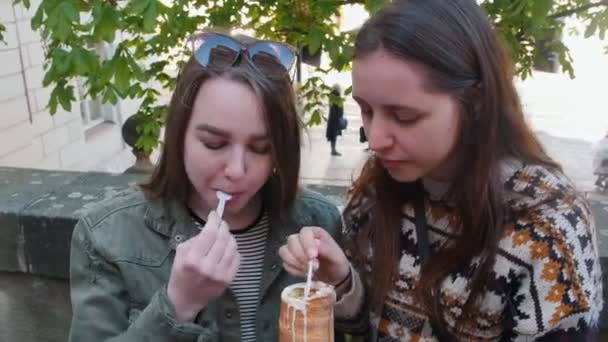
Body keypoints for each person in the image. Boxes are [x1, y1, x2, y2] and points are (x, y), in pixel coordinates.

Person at [279, 0, 603, 341]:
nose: (375, 139)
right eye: (366, 110)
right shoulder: (377, 191)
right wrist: (343, 280)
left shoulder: (548, 227)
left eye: (404, 117)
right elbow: (366, 326)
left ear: (475, 104)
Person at [68, 32, 343, 342]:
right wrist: (178, 304)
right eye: (214, 143)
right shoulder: (107, 237)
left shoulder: (318, 222)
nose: (237, 171)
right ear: (178, 135)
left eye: (261, 148)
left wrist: (344, 283)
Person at [326, 84, 346, 156]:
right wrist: (338, 117)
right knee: (333, 135)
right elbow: (335, 109)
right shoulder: (335, 95)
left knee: (333, 135)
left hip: (333, 118)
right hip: (335, 119)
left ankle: (333, 150)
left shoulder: (332, 96)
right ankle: (333, 150)